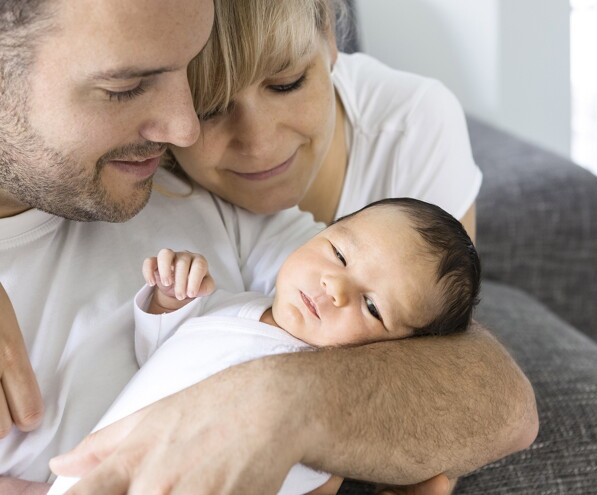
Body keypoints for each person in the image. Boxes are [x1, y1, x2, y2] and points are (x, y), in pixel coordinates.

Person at [1, 0, 536, 494]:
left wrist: (284, 406)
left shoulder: (195, 197)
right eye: (125, 86)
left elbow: (502, 400)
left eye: (186, 73)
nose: (181, 129)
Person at [48, 197, 482, 495]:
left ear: (398, 350)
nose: (335, 287)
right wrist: (169, 300)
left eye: (371, 306)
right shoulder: (230, 305)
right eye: (339, 255)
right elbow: (155, 358)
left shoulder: (325, 398)